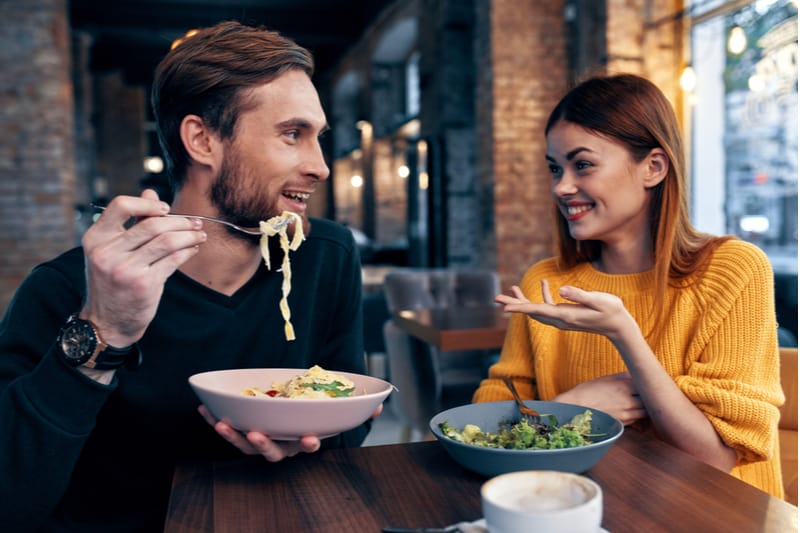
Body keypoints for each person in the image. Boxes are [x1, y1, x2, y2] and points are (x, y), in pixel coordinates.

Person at [0, 21, 378, 531]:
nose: (320, 166)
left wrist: (306, 439)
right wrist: (104, 330)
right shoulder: (65, 288)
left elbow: (345, 418)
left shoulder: (325, 256)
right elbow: (11, 500)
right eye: (292, 134)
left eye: (318, 138)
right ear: (202, 140)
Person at [474, 74, 785, 498]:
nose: (562, 187)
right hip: (579, 511)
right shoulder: (546, 281)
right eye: (555, 168)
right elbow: (484, 421)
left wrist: (625, 335)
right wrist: (571, 410)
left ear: (653, 167)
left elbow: (714, 459)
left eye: (582, 164)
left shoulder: (733, 270)